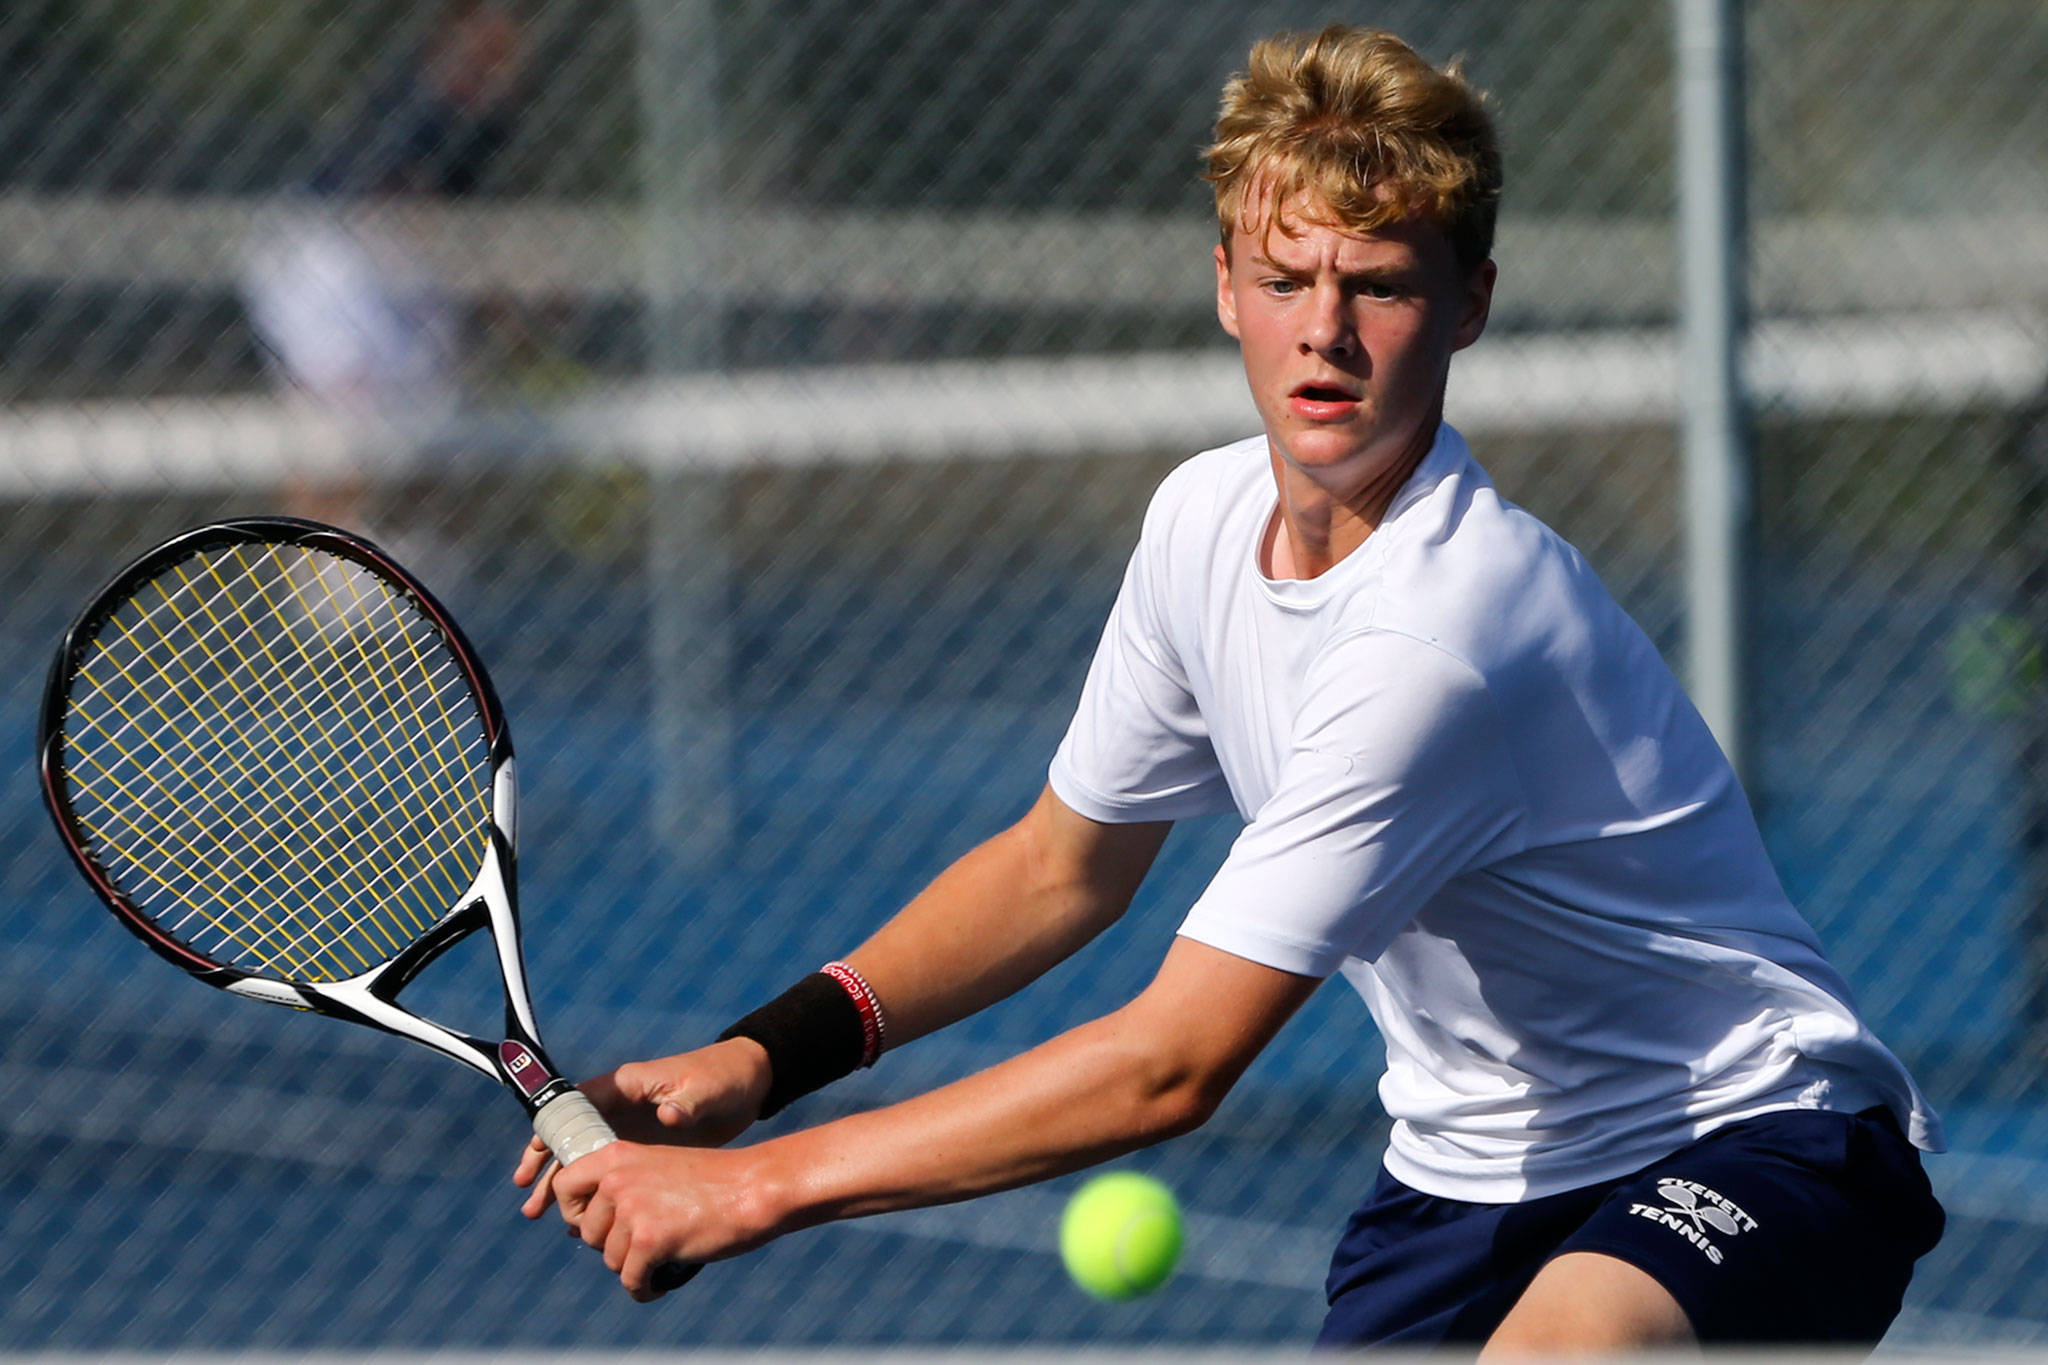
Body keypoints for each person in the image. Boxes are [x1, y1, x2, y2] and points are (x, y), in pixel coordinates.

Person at [514, 26, 1945, 1349]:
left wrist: (751, 1189)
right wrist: (763, 1055)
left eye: (1378, 283)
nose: (1324, 331)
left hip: (1760, 1137)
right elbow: (1059, 868)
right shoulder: (1201, 521)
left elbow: (1168, 1066)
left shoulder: (1442, 635)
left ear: (1468, 306)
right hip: (1466, 1176)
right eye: (1286, 278)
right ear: (1225, 289)